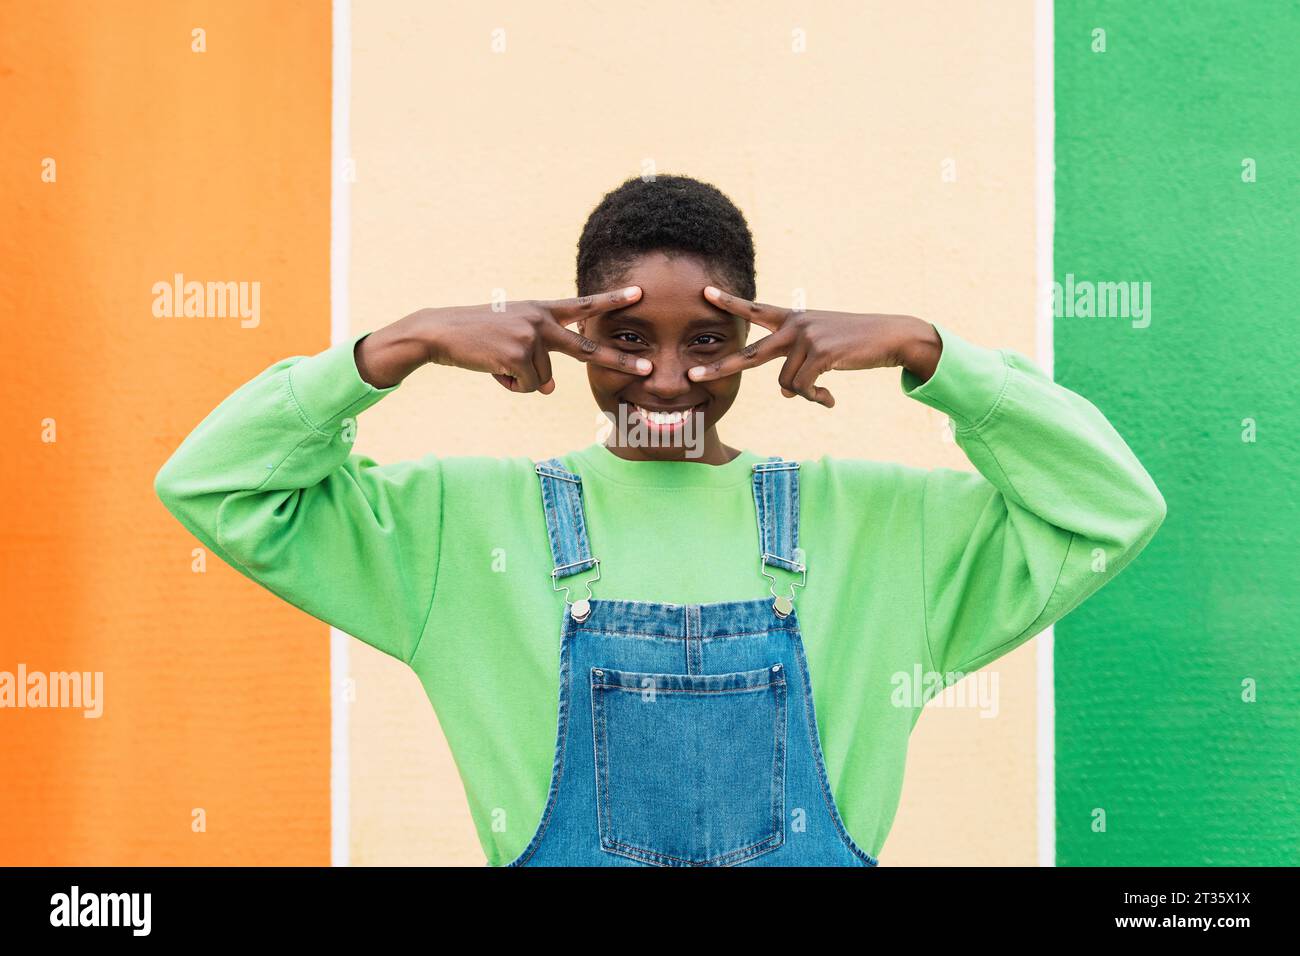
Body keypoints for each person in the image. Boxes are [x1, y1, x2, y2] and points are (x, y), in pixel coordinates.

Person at [154, 174, 1166, 867]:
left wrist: (931, 353)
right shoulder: (460, 523)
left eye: (709, 341)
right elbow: (213, 483)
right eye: (627, 337)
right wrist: (398, 345)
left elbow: (1111, 507)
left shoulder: (871, 524)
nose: (669, 376)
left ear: (757, 341)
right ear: (573, 332)